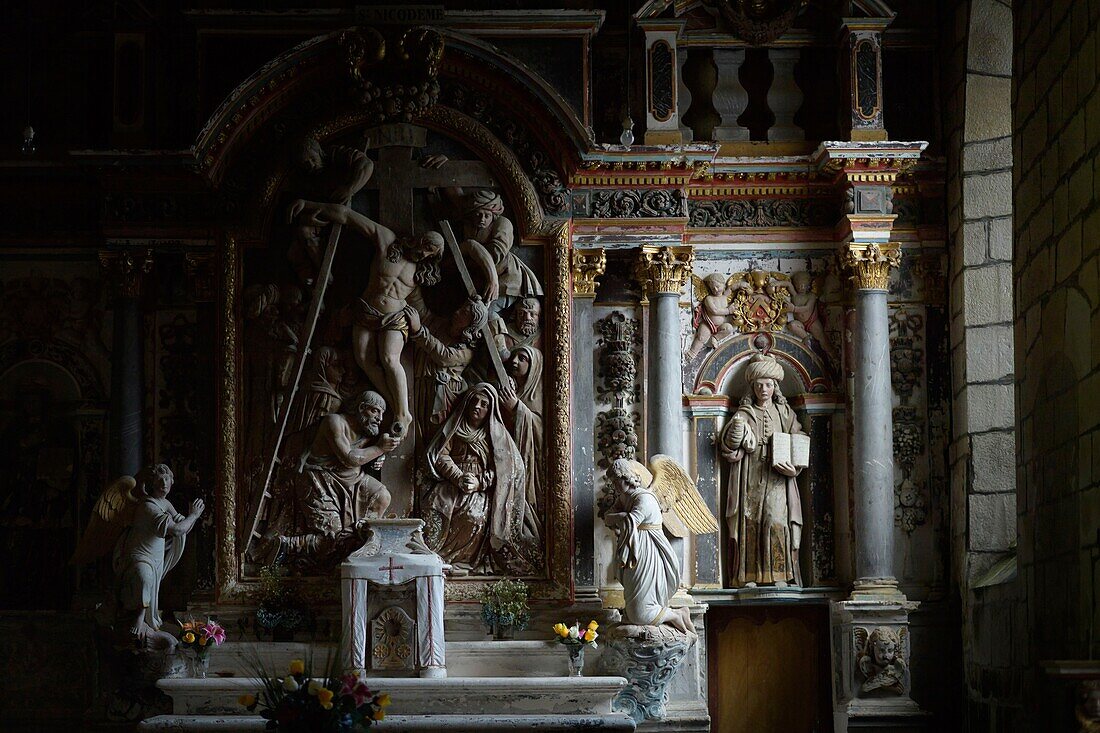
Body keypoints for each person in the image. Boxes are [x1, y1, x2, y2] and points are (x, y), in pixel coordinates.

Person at [71, 464, 205, 647]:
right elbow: (177, 529)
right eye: (159, 479)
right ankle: (138, 620)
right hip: (138, 557)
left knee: (150, 584)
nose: (164, 483)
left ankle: (149, 620)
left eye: (167, 479)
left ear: (172, 482)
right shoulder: (148, 507)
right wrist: (195, 515)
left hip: (154, 558)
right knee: (144, 579)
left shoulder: (165, 504)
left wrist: (188, 518)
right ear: (152, 483)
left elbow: (182, 526)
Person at [270, 390, 399, 568]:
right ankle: (288, 545)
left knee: (382, 496)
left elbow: (364, 458)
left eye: (382, 414)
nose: (379, 418)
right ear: (361, 408)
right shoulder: (334, 422)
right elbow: (349, 458)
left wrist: (378, 458)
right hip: (320, 480)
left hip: (353, 481)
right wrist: (379, 449)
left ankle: (357, 541)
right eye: (375, 411)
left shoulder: (367, 432)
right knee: (331, 536)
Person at [423, 383, 542, 575]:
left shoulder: (495, 435)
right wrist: (458, 477)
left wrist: (480, 482)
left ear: (491, 409)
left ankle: (465, 560)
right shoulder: (455, 428)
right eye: (475, 401)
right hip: (453, 485)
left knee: (474, 516)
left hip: (480, 489)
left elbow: (507, 468)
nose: (478, 406)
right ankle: (437, 557)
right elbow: (440, 456)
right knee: (435, 508)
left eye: (484, 404)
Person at [719, 352, 804, 588]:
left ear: (775, 386)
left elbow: (799, 439)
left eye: (768, 385)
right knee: (750, 522)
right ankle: (748, 576)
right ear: (752, 387)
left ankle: (780, 574)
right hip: (750, 474)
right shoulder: (744, 413)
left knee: (776, 520)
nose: (763, 389)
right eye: (758, 385)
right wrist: (735, 434)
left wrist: (793, 468)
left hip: (778, 476)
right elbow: (727, 444)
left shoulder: (785, 413)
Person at [601, 458, 696, 633]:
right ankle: (670, 614)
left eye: (617, 480)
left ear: (627, 477)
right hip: (635, 549)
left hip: (649, 551)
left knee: (641, 615)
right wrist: (620, 517)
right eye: (613, 481)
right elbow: (608, 516)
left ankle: (676, 614)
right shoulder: (625, 497)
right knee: (632, 608)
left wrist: (620, 517)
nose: (615, 485)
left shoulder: (644, 498)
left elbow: (631, 520)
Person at [500, 345, 544, 512]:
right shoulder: (510, 390)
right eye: (513, 357)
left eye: (522, 358)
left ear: (533, 366)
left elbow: (540, 428)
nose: (514, 361)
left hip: (528, 463)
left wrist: (517, 408)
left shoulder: (537, 396)